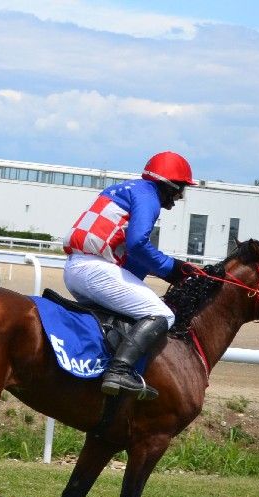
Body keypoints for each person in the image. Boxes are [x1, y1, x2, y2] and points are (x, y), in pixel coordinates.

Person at [62, 150, 200, 400]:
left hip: (77, 269)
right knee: (162, 314)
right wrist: (172, 269)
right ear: (167, 185)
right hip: (94, 270)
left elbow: (133, 257)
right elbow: (137, 245)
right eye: (180, 188)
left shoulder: (126, 190)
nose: (180, 197)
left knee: (130, 310)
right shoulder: (149, 196)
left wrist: (170, 270)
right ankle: (119, 371)